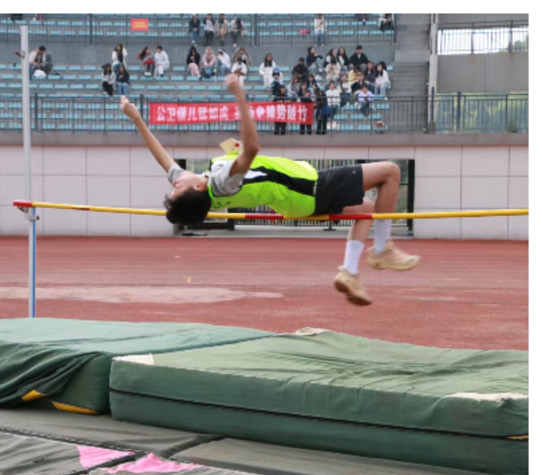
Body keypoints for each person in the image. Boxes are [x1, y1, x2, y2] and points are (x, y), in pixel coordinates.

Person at [125, 75, 420, 306]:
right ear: (199, 187)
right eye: (177, 187)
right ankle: (383, 249)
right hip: (309, 187)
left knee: (365, 210)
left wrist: (136, 118)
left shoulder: (201, 184)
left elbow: (162, 157)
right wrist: (240, 96)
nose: (175, 181)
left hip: (297, 200)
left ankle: (350, 273)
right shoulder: (221, 181)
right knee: (390, 172)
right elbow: (253, 148)